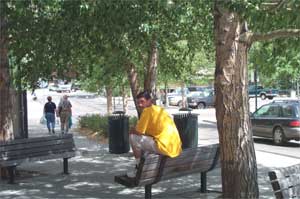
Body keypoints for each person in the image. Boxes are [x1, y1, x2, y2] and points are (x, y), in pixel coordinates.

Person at [129, 91, 182, 164]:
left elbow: (139, 132)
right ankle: (148, 165)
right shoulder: (160, 109)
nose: (140, 104)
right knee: (147, 141)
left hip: (164, 147)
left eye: (142, 101)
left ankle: (138, 166)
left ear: (149, 100)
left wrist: (131, 129)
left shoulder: (147, 111)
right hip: (175, 148)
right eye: (138, 102)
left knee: (133, 137)